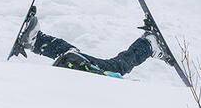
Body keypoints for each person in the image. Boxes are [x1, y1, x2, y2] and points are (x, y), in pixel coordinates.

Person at [18, 8, 175, 77]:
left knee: (74, 57)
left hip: (76, 76)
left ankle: (36, 40)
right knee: (116, 67)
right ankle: (148, 44)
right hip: (77, 75)